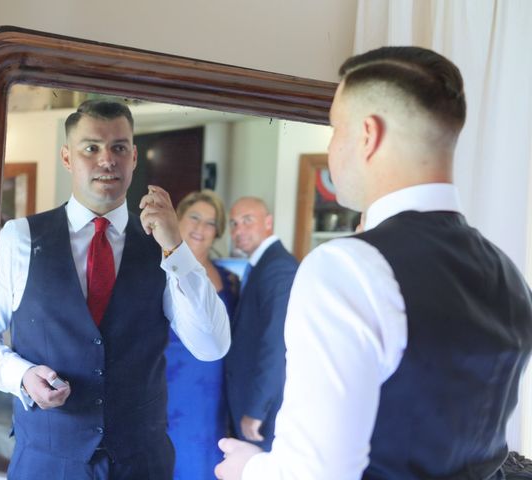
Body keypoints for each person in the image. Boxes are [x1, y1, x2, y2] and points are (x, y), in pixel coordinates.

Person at [215, 46, 532, 480]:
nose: (332, 149)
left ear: (368, 134)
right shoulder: (509, 275)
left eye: (334, 129)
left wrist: (251, 468)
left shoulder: (346, 267)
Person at [0, 100, 231, 480]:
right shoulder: (20, 238)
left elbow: (212, 345)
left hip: (143, 462)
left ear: (134, 157)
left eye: (119, 148)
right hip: (48, 463)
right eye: (91, 148)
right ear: (67, 158)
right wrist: (21, 375)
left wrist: (178, 249)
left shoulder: (163, 245)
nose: (107, 160)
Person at [166, 189, 239, 479]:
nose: (201, 228)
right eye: (194, 217)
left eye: (210, 223)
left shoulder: (231, 281)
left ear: (217, 232)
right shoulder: (160, 272)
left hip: (216, 392)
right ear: (179, 219)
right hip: (170, 388)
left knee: (208, 462)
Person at [223, 197, 298, 452]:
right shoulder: (260, 265)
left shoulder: (278, 267)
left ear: (268, 222)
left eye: (247, 220)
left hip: (262, 411)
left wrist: (256, 410)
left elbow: (276, 343)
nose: (238, 231)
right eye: (233, 223)